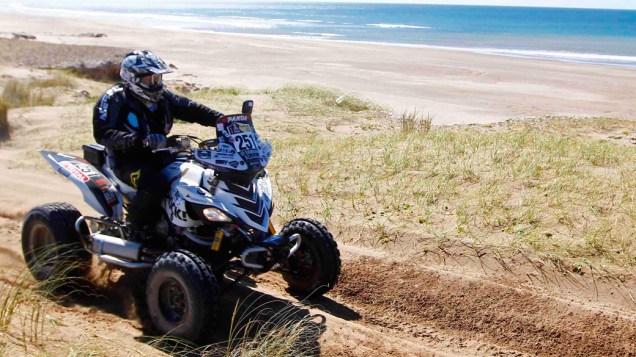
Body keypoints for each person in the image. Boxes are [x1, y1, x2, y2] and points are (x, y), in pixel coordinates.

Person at [93, 50, 224, 241]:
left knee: (204, 174)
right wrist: (138, 141)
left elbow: (193, 110)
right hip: (126, 161)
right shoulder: (114, 98)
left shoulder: (163, 98)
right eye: (149, 79)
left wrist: (222, 120)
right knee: (156, 184)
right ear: (132, 78)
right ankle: (135, 229)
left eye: (158, 78)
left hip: (161, 154)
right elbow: (104, 133)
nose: (155, 84)